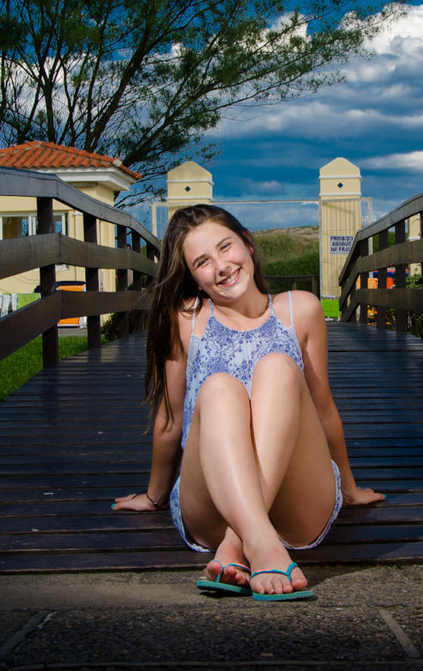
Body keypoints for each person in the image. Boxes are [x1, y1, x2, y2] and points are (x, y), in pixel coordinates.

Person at [113, 204, 383, 600]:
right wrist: (154, 496)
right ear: (192, 277)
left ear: (249, 245)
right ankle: (260, 540)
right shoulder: (187, 319)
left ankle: (241, 541)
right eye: (202, 261)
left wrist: (352, 487)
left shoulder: (300, 310)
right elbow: (171, 420)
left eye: (226, 247)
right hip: (211, 504)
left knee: (277, 366)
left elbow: (322, 409)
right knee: (220, 387)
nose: (221, 266)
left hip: (298, 500)